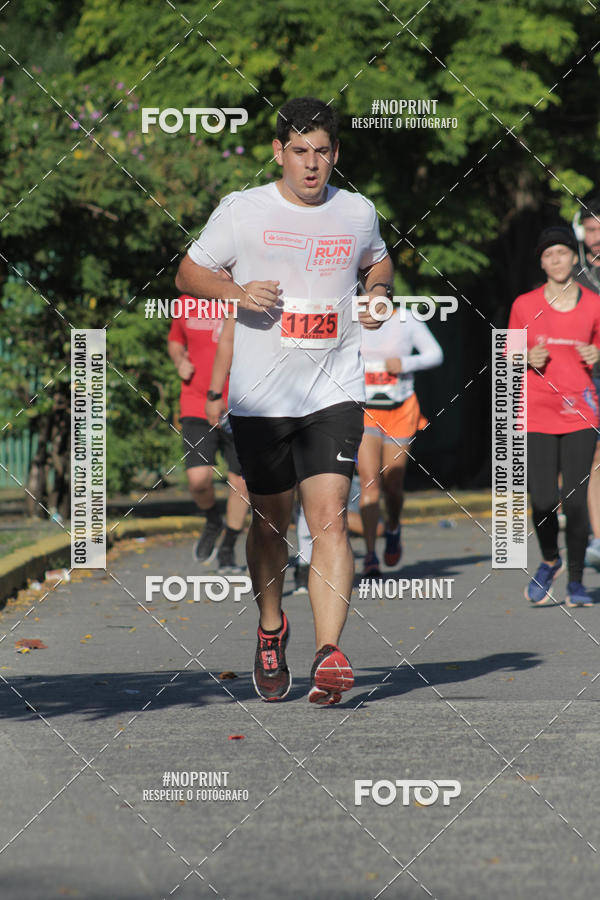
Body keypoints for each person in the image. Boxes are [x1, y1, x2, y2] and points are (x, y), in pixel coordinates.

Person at [176, 96, 392, 704]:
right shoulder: (243, 211)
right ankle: (272, 628)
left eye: (322, 151)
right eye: (299, 151)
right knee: (270, 521)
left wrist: (376, 293)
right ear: (279, 152)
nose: (311, 164)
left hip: (335, 388)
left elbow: (379, 261)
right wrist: (237, 291)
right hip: (261, 396)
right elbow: (189, 274)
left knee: (327, 517)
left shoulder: (357, 211)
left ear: (336, 155)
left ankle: (329, 654)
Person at [508, 226, 600, 607]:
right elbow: (505, 353)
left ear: (574, 257)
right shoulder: (525, 305)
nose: (556, 260)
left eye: (562, 252)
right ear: (541, 262)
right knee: (543, 498)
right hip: (535, 411)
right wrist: (524, 356)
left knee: (575, 501)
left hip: (580, 411)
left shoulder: (594, 304)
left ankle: (577, 581)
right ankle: (550, 560)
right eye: (548, 255)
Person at [358, 305, 443, 576]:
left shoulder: (407, 318)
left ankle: (393, 526)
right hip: (364, 410)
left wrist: (405, 363)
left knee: (392, 485)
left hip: (400, 409)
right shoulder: (350, 315)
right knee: (369, 484)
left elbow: (435, 354)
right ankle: (370, 555)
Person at [167, 294, 248, 572]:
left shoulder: (243, 296)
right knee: (198, 479)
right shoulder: (187, 301)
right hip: (196, 402)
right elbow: (175, 340)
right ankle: (213, 520)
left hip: (242, 403)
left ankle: (227, 550)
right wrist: (179, 360)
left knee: (242, 483)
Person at [571, 198, 600, 568]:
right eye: (591, 229)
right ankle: (598, 539)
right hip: (587, 380)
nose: (597, 237)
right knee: (594, 457)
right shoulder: (573, 278)